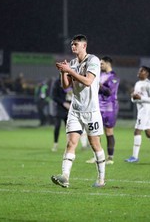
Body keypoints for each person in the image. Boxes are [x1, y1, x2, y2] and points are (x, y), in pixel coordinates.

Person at [51, 34, 106, 188]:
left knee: (95, 145)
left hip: (91, 111)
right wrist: (63, 72)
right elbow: (65, 86)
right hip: (75, 110)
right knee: (71, 143)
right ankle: (65, 177)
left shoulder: (93, 60)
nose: (73, 46)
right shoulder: (73, 63)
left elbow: (88, 81)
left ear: (84, 46)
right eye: (72, 44)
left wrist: (70, 70)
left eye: (75, 44)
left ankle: (101, 178)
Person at [86, 56, 120, 165]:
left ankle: (110, 158)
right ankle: (97, 156)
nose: (100, 66)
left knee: (109, 131)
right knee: (96, 132)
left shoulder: (114, 76)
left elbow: (110, 92)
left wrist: (99, 86)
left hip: (110, 107)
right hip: (97, 106)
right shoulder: (99, 75)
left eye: (102, 64)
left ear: (108, 63)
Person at [50, 75, 72, 152]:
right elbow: (53, 96)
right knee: (57, 126)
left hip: (69, 108)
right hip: (59, 108)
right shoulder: (56, 82)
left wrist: (71, 103)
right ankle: (55, 144)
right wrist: (63, 103)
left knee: (69, 128)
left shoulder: (71, 80)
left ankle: (69, 145)